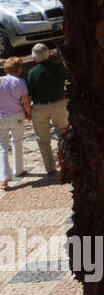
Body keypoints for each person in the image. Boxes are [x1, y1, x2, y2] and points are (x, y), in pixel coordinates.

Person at [26, 43, 67, 178]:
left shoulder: (31, 73)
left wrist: (27, 111)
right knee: (63, 133)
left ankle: (50, 168)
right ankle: (66, 162)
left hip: (40, 107)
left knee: (43, 139)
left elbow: (29, 95)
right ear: (48, 54)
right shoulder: (59, 67)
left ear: (34, 58)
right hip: (59, 104)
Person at [0, 56, 31, 189]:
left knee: (2, 147)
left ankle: (4, 177)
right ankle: (18, 169)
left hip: (1, 116)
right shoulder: (21, 82)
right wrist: (28, 113)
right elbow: (26, 102)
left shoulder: (0, 81)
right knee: (17, 142)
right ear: (18, 69)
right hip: (17, 115)